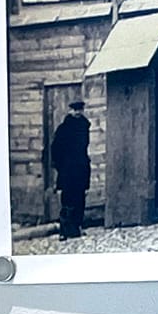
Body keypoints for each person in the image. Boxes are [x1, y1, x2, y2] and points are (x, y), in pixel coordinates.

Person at [51, 95, 91, 237]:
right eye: (75, 109)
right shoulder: (63, 129)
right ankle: (64, 231)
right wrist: (60, 166)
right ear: (70, 111)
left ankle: (77, 227)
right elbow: (55, 149)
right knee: (67, 199)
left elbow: (84, 148)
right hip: (67, 169)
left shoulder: (84, 126)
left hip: (81, 167)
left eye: (80, 109)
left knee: (80, 198)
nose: (77, 112)